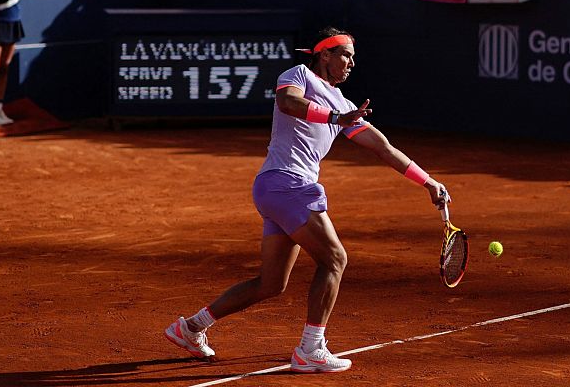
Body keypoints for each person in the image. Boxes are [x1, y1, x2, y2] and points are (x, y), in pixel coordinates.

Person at [165, 26, 449, 373]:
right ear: (324, 54)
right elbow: (289, 102)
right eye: (345, 55)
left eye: (353, 58)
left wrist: (428, 181)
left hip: (277, 191)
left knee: (271, 284)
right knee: (334, 260)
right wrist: (334, 118)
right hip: (287, 185)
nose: (351, 63)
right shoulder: (298, 75)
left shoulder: (345, 106)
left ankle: (190, 327)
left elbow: (383, 148)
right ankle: (311, 348)